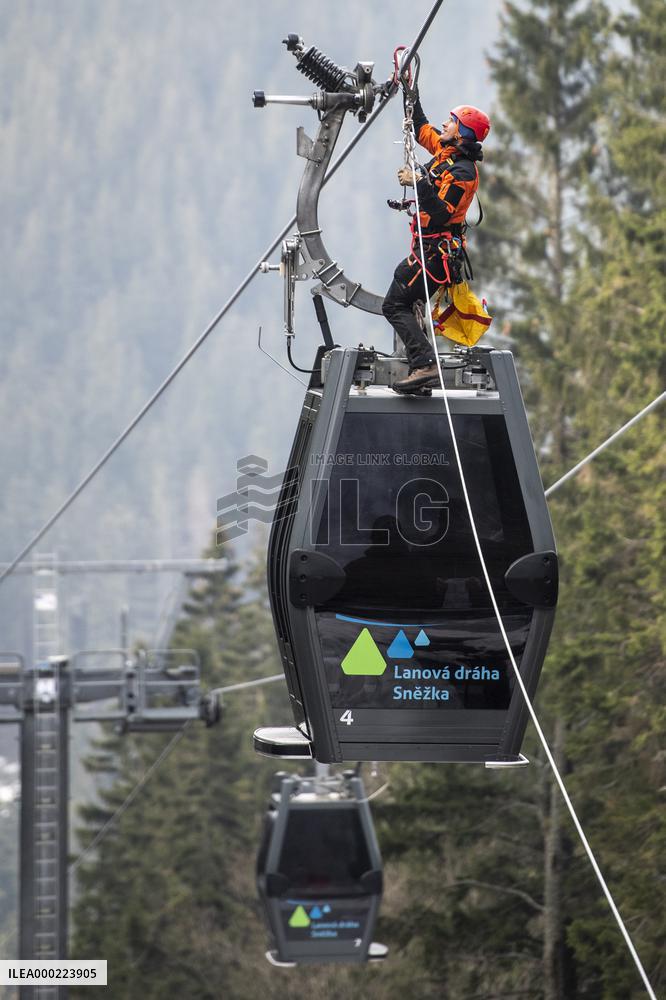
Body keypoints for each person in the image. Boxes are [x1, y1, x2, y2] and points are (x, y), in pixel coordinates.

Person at [382, 95, 491, 393]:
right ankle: (422, 369)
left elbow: (443, 211)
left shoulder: (464, 173)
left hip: (434, 255)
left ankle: (425, 365)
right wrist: (411, 94)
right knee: (404, 298)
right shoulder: (447, 152)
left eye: (451, 121)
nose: (445, 123)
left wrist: (418, 181)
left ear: (461, 132)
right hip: (429, 251)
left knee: (394, 304)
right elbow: (421, 128)